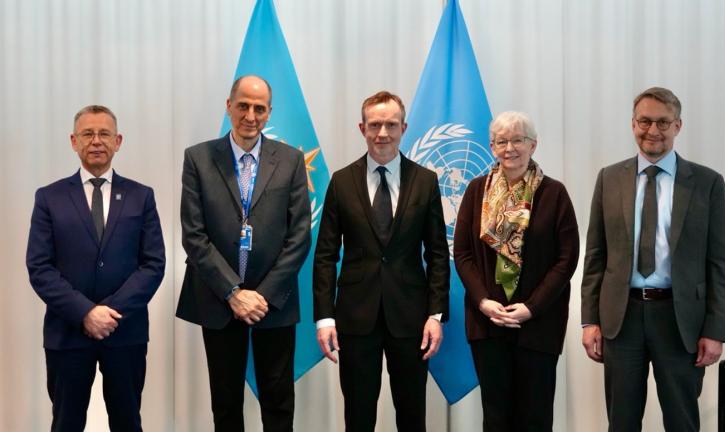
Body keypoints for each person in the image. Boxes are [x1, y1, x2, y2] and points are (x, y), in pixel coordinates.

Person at [581, 86, 725, 431]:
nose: (653, 131)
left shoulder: (708, 183)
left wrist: (715, 329)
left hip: (681, 321)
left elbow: (720, 263)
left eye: (663, 122)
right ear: (633, 124)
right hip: (622, 317)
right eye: (645, 121)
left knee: (681, 421)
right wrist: (590, 320)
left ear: (678, 126)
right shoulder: (609, 178)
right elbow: (596, 255)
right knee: (622, 421)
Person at [176, 75, 311, 431]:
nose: (250, 115)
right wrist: (234, 293)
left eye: (259, 108)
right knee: (225, 402)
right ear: (229, 106)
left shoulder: (292, 160)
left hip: (273, 301)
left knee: (279, 401)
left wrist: (261, 296)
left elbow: (299, 236)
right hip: (219, 299)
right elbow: (193, 235)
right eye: (243, 106)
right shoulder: (199, 158)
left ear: (269, 113)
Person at [313, 91, 450, 432]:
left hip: (411, 319)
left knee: (411, 415)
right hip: (356, 319)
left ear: (404, 127)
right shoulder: (341, 181)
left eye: (391, 124)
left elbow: (436, 254)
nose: (383, 133)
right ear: (362, 128)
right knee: (358, 416)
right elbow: (326, 255)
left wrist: (435, 314)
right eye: (375, 124)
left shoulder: (426, 181)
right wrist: (324, 318)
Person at [26, 105, 165, 431]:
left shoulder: (141, 196)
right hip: (67, 333)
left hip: (125, 331)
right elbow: (39, 266)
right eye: (88, 133)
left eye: (104, 134)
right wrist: (85, 312)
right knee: (66, 423)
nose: (96, 141)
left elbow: (154, 264)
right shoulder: (49, 197)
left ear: (118, 141)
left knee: (128, 422)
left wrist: (109, 312)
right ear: (74, 141)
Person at [453, 111, 579, 430]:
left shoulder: (554, 193)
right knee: (496, 417)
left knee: (535, 417)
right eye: (501, 141)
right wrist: (482, 301)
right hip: (488, 322)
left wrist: (531, 308)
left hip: (538, 324)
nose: (510, 148)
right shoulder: (476, 191)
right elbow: (463, 253)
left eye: (518, 140)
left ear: (533, 145)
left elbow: (567, 258)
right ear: (492, 147)